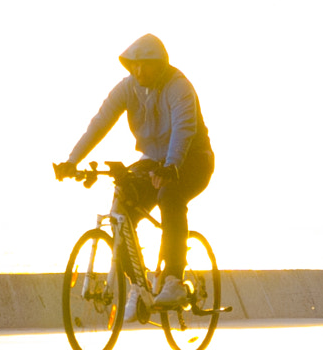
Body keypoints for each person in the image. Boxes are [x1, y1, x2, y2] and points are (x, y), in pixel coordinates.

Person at [55, 34, 215, 307]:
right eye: (134, 65)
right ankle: (138, 286)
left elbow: (183, 130)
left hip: (192, 160)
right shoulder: (127, 88)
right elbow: (99, 123)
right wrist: (72, 160)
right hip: (153, 160)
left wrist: (171, 166)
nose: (139, 71)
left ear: (160, 64)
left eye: (146, 64)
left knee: (169, 196)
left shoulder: (179, 87)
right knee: (121, 210)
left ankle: (174, 280)